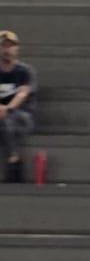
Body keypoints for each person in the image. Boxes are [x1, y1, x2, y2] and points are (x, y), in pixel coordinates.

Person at [0, 30, 35, 185]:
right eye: (3, 46)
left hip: (22, 116)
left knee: (6, 120)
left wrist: (7, 109)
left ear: (17, 48)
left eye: (10, 46)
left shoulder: (24, 71)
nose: (7, 50)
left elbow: (22, 94)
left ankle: (13, 160)